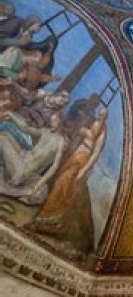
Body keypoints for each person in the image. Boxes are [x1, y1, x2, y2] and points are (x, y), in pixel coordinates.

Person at [27, 108, 107, 256]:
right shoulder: (91, 122)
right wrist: (81, 131)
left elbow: (95, 153)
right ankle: (42, 219)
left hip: (82, 158)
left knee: (63, 185)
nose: (101, 116)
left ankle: (52, 221)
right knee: (59, 182)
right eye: (100, 114)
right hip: (75, 154)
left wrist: (84, 170)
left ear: (106, 117)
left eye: (104, 115)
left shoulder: (102, 131)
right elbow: (76, 132)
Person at [0, 111, 65, 204]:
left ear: (61, 122)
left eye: (55, 121)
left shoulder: (60, 142)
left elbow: (54, 167)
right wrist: (11, 114)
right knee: (5, 135)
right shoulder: (45, 132)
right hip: (21, 159)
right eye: (51, 120)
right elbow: (26, 128)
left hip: (21, 171)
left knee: (2, 139)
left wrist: (37, 186)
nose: (52, 123)